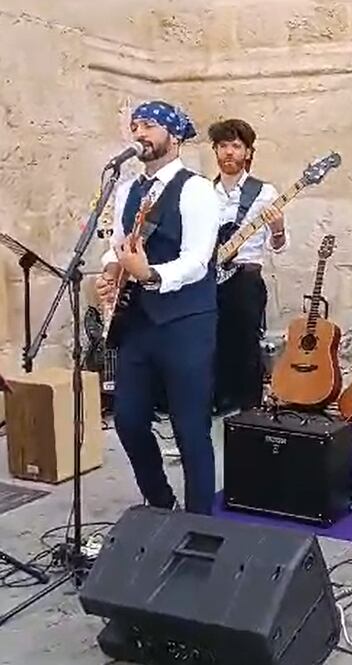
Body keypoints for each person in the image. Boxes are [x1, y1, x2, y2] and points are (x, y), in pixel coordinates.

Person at [96, 100, 220, 515]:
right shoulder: (128, 188)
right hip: (138, 323)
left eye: (149, 125)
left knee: (190, 429)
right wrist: (112, 271)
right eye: (135, 125)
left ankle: (202, 522)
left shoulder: (197, 189)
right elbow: (117, 245)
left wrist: (149, 274)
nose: (139, 133)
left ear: (175, 135)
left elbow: (197, 259)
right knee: (128, 420)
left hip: (186, 322)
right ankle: (161, 503)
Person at [208, 118, 288, 413]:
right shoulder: (203, 192)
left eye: (236, 146)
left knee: (246, 343)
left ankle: (248, 407)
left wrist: (278, 228)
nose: (229, 152)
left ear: (248, 152)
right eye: (223, 146)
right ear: (215, 151)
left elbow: (277, 246)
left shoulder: (264, 192)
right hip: (209, 277)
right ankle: (218, 399)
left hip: (245, 277)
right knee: (211, 341)